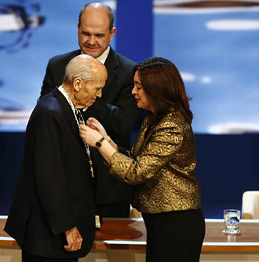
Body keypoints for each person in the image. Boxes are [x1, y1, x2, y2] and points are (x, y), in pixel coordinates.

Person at [79, 57, 206, 262]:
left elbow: (137, 172)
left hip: (177, 223)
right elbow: (137, 160)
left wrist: (100, 143)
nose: (133, 92)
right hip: (160, 220)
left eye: (138, 87)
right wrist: (107, 139)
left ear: (156, 89)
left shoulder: (171, 125)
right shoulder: (154, 117)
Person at [4, 54, 107, 262]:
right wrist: (67, 227)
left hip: (56, 235)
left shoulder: (67, 107)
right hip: (49, 237)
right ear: (78, 83)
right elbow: (49, 177)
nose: (100, 94)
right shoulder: (51, 113)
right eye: (97, 88)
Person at [40, 3, 138, 219]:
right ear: (77, 28)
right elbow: (45, 118)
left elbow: (123, 122)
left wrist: (86, 93)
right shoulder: (57, 66)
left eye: (99, 35)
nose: (91, 41)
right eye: (85, 33)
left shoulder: (130, 72)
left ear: (112, 34)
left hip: (108, 189)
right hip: (64, 182)